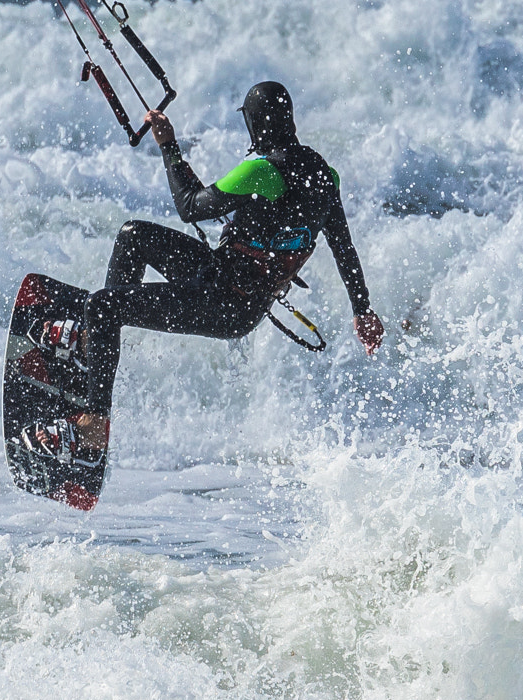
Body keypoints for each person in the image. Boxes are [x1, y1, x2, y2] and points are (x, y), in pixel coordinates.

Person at [21, 81, 385, 461]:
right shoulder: (326, 177)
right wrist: (363, 311)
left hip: (221, 301)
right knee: (133, 236)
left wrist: (168, 146)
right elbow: (344, 247)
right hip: (231, 289)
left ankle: (94, 428)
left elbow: (190, 207)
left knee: (102, 306)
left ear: (255, 124)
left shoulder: (261, 171)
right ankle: (92, 345)